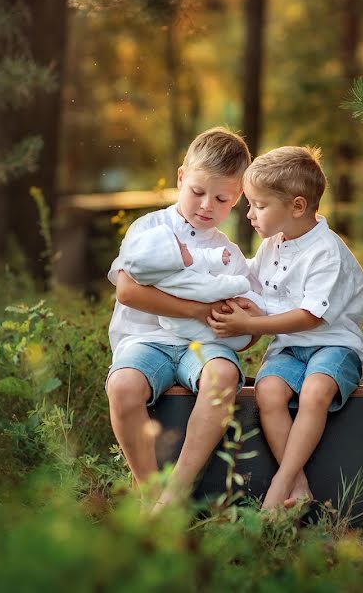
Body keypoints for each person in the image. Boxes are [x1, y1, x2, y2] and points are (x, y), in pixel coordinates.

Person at [207, 146, 363, 511]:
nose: (249, 214)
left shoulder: (327, 251)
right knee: (268, 392)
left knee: (315, 390)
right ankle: (298, 487)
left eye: (259, 205)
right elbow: (251, 282)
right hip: (289, 349)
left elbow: (310, 317)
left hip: (332, 345)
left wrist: (252, 324)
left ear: (297, 207)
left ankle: (281, 481)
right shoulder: (273, 245)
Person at [106, 126, 255, 509]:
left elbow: (247, 324)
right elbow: (128, 291)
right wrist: (197, 310)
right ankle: (149, 490)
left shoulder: (229, 254)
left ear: (237, 197)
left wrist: (241, 325)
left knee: (222, 376)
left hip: (201, 345)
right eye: (197, 192)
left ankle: (177, 493)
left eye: (221, 198)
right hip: (146, 341)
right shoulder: (150, 230)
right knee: (123, 386)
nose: (207, 205)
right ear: (180, 178)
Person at [120, 223, 264, 351]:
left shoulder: (167, 270)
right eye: (180, 249)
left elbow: (197, 258)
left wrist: (216, 256)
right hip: (195, 326)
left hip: (177, 323)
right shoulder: (180, 280)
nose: (184, 245)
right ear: (171, 261)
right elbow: (211, 288)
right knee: (217, 327)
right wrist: (240, 284)